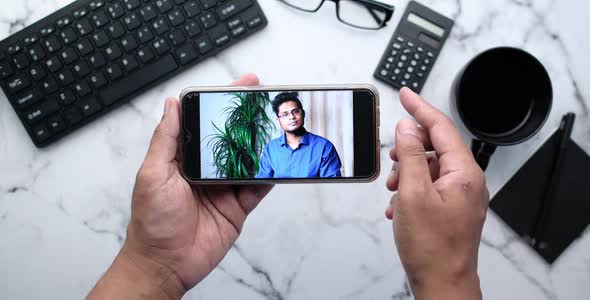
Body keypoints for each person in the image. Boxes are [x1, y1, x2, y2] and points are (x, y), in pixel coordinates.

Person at [87, 74, 488, 300]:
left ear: (301, 114)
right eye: (284, 112)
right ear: (278, 119)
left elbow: (327, 174)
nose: (291, 115)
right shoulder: (269, 150)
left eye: (295, 110)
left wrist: (151, 267)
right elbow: (262, 174)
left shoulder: (326, 147)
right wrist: (153, 262)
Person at [256, 92, 342, 178]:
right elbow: (263, 185)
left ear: (303, 114)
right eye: (285, 114)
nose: (292, 117)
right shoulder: (271, 148)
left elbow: (332, 186)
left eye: (296, 111)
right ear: (278, 120)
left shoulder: (324, 147)